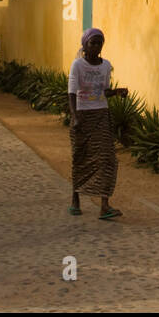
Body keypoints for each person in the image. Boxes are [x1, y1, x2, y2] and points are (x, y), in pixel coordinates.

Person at [67, 28, 127, 219]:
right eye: (93, 43)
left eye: (99, 43)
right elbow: (71, 93)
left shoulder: (105, 66)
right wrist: (75, 117)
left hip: (101, 114)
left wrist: (117, 92)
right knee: (80, 157)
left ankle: (104, 205)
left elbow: (105, 91)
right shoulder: (77, 65)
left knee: (107, 159)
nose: (96, 46)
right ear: (85, 45)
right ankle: (75, 199)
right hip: (82, 116)